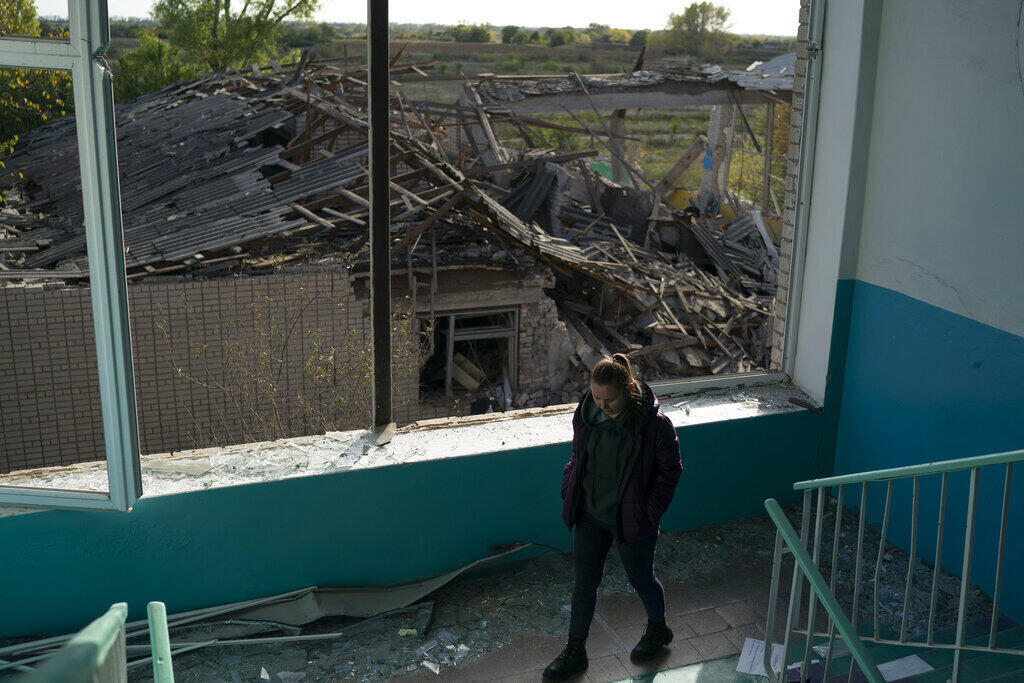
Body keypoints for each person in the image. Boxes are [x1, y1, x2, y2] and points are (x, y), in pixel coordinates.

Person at [544, 353, 683, 680]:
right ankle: (575, 650)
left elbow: (670, 472)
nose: (602, 405)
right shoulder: (586, 413)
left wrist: (647, 512)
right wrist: (570, 484)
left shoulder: (654, 425)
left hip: (632, 518)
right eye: (596, 396)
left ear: (629, 388)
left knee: (641, 578)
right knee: (584, 585)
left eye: (611, 398)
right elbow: (577, 456)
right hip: (590, 515)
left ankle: (658, 628)